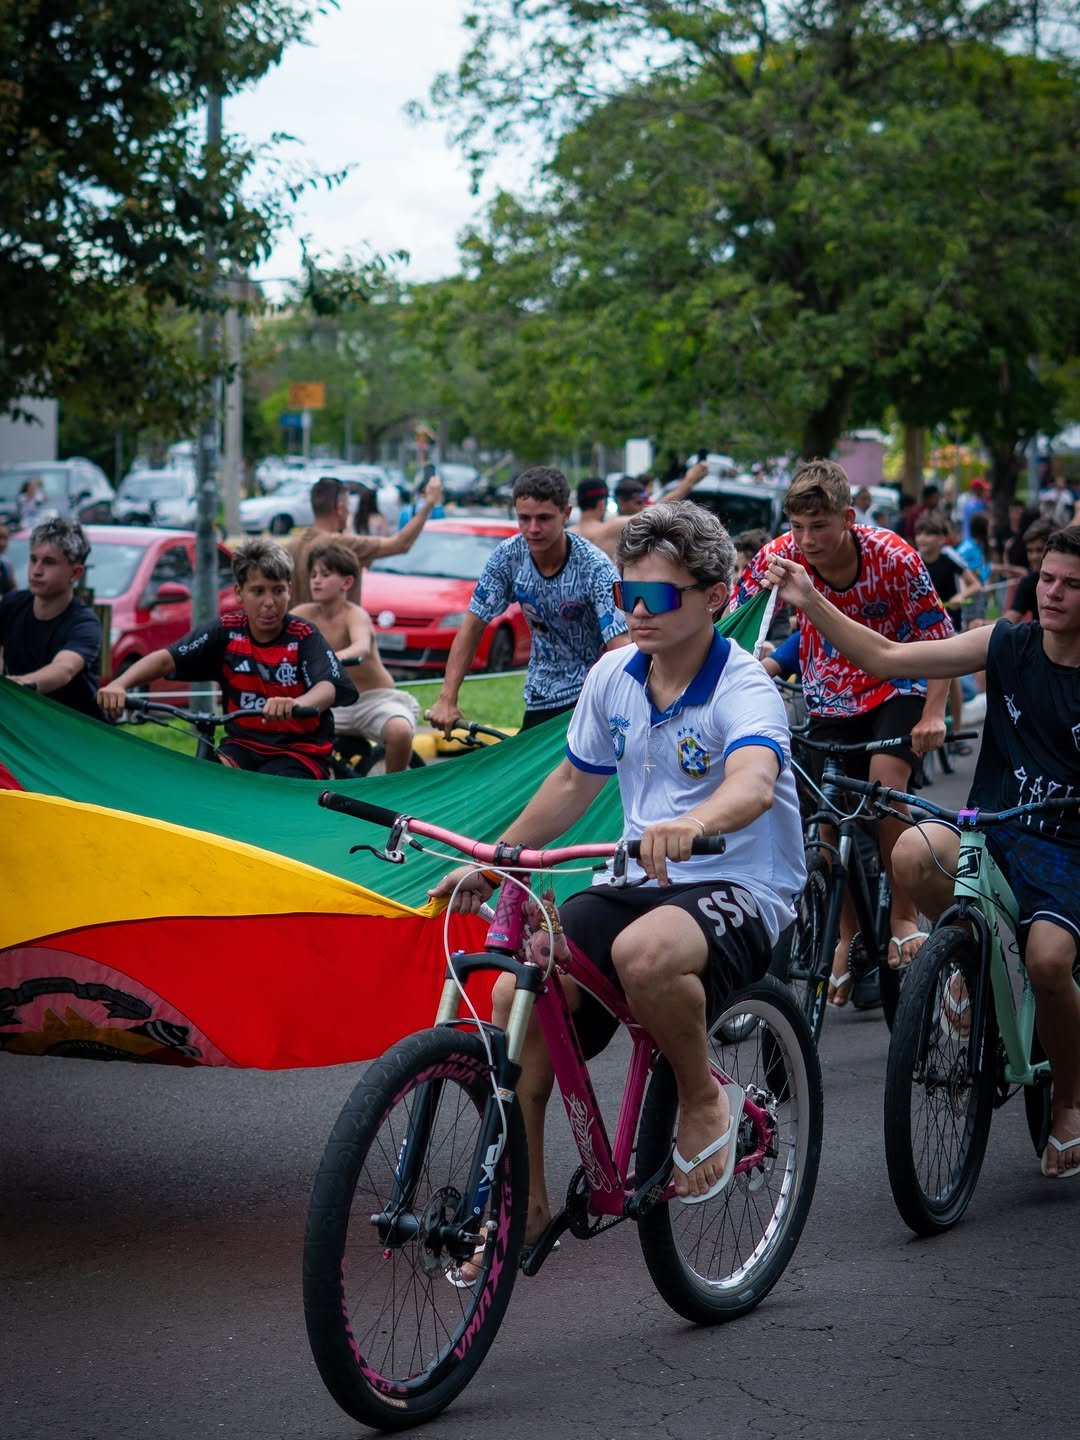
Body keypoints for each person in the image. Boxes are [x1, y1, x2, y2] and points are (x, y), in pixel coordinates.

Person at [431, 500, 806, 1253]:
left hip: (737, 881)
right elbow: (573, 783)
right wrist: (493, 856)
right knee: (516, 989)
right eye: (625, 594)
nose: (637, 610)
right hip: (637, 875)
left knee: (644, 956)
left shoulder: (745, 688)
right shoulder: (613, 675)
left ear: (714, 597)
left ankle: (703, 1099)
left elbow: (755, 783)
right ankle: (526, 1204)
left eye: (658, 596)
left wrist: (698, 823)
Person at [762, 525, 1080, 1178]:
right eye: (1047, 578)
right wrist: (810, 598)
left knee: (1050, 960)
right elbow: (885, 658)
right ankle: (967, 966)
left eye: (1072, 585)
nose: (1053, 593)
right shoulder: (1006, 642)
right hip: (998, 832)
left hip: (1068, 852)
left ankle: (1071, 1105)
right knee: (911, 852)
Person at [732, 458, 954, 997]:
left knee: (883, 790)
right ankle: (847, 936)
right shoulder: (778, 555)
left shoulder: (894, 557)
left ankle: (903, 919)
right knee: (825, 823)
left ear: (849, 517)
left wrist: (933, 714)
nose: (806, 540)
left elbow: (940, 634)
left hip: (896, 684)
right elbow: (730, 620)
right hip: (828, 695)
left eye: (820, 527)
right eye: (797, 526)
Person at [98, 539, 355, 779]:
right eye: (258, 591)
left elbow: (327, 688)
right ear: (239, 593)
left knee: (269, 788)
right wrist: (119, 684)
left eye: (278, 591)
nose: (269, 602)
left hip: (298, 752)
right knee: (208, 782)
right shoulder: (226, 630)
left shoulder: (304, 635)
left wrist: (295, 703)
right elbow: (167, 659)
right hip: (241, 746)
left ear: (289, 591)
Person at [428, 466, 630, 734]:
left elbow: (621, 647)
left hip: (593, 699)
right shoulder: (508, 556)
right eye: (524, 518)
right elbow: (472, 626)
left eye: (544, 518)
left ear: (566, 514)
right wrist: (447, 699)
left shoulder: (595, 567)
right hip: (541, 697)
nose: (533, 528)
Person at [293, 541, 420, 772]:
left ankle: (394, 790)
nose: (316, 580)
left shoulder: (355, 614)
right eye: (313, 575)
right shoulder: (302, 615)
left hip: (374, 701)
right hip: (330, 705)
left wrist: (329, 659)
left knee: (400, 732)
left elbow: (360, 647)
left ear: (347, 582)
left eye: (325, 574)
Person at [0, 517, 103, 718]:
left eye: (49, 562)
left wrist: (19, 685)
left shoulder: (84, 624)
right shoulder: (11, 605)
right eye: (33, 559)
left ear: (76, 573)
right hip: (25, 721)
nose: (36, 571)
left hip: (72, 732)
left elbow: (63, 669)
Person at [287, 472, 443, 604]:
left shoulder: (290, 548)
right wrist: (429, 503)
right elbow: (401, 543)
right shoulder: (342, 545)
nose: (349, 511)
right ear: (340, 509)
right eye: (348, 505)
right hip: (334, 640)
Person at [571, 461, 709, 558]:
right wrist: (689, 481)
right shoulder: (610, 529)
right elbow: (656, 509)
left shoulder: (566, 535)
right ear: (602, 503)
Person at [1004, 518, 1053, 624]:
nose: (1033, 557)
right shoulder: (1029, 582)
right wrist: (982, 625)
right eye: (1030, 551)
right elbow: (1010, 619)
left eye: (1039, 550)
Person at [0, 523, 16, 595]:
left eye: (6, 538)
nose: (2, 543)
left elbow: (13, 587)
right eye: (0, 537)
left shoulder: (6, 562)